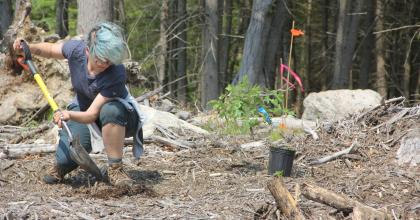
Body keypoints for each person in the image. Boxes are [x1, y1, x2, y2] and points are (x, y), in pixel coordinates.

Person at [13, 22, 145, 186]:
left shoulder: (116, 72)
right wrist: (28, 47)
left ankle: (116, 168)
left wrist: (68, 114)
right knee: (65, 158)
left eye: (109, 61)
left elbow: (92, 114)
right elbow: (52, 50)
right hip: (83, 109)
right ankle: (62, 166)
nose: (105, 65)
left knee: (110, 110)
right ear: (88, 50)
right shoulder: (77, 50)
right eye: (100, 60)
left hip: (120, 116)